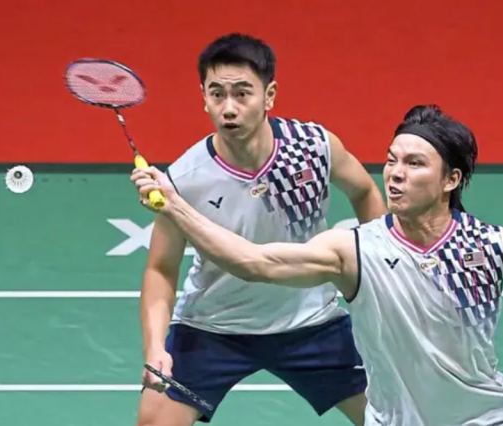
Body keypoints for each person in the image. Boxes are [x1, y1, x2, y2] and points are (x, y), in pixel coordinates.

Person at [131, 104, 503, 426]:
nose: (395, 173)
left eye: (415, 163)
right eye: (392, 160)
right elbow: (252, 261)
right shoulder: (354, 248)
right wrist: (174, 202)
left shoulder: (491, 245)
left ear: (451, 180)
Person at [134, 33, 386, 426]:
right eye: (217, 94)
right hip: (214, 326)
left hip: (311, 321)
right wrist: (154, 348)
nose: (228, 108)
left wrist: (381, 271)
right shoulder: (184, 179)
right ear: (203, 97)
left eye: (242, 94)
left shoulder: (314, 148)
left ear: (269, 95)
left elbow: (365, 190)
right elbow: (160, 268)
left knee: (393, 417)